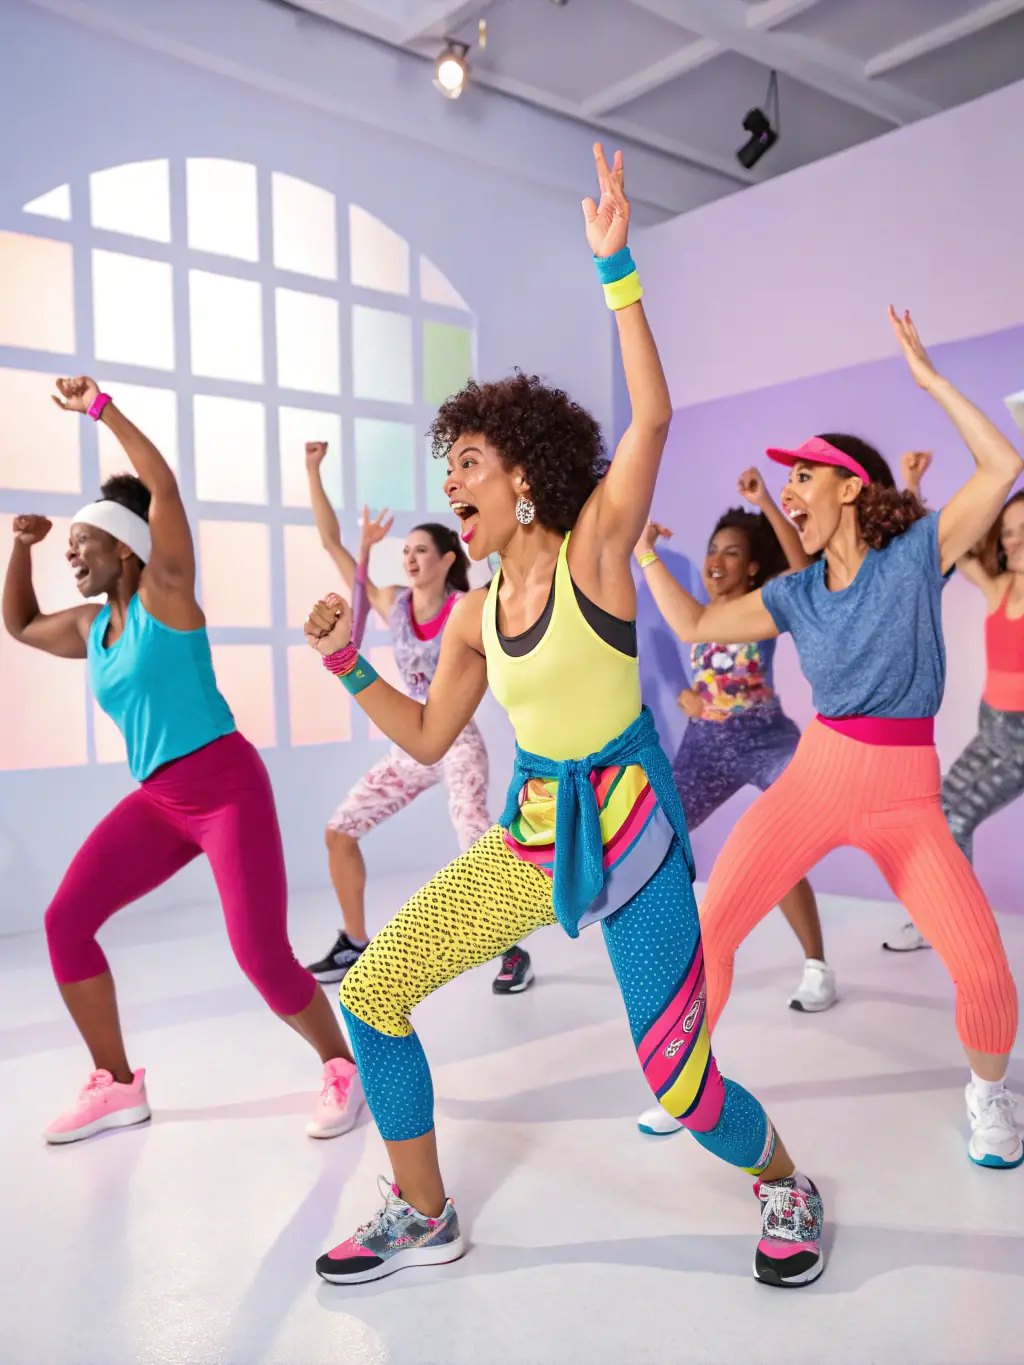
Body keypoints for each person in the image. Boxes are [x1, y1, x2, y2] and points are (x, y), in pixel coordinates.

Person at [304, 144, 825, 1289]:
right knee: (375, 990)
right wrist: (344, 663)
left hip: (635, 837)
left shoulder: (595, 550)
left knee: (680, 1082)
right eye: (447, 469)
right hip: (534, 835)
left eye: (468, 464)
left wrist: (616, 267)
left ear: (526, 473)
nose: (451, 485)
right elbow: (428, 738)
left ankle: (784, 1180)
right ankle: (424, 1211)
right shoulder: (473, 613)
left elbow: (653, 417)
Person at [642, 310, 1022, 1171]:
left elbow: (1003, 466)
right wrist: (646, 558)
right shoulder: (795, 592)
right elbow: (698, 623)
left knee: (985, 971)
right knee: (714, 928)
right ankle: (687, 1081)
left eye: (804, 476)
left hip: (906, 798)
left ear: (849, 488)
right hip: (817, 778)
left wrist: (930, 380)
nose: (790, 492)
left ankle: (989, 1095)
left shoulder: (915, 554)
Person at [2, 380, 362, 1144]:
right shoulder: (93, 628)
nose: (71, 551)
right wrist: (21, 547)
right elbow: (22, 623)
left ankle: (342, 1066)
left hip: (226, 788)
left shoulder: (166, 593)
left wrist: (100, 409)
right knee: (66, 920)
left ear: (124, 546)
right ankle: (116, 1083)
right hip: (160, 800)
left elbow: (161, 488)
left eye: (82, 540)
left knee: (260, 953)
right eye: (68, 543)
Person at [632, 469, 834, 1138]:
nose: (717, 561)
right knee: (659, 837)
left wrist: (766, 503)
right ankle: (669, 968)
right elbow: (679, 653)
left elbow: (802, 571)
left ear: (752, 567)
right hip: (708, 746)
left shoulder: (766, 604)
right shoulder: (696, 609)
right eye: (712, 550)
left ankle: (817, 966)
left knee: (782, 851)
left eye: (731, 553)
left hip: (768, 740)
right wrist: (686, 696)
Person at [304, 446, 533, 995]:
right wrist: (314, 472)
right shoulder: (393, 602)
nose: (409, 559)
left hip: (457, 740)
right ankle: (354, 942)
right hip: (411, 740)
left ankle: (512, 950)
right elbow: (331, 544)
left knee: (475, 839)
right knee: (339, 832)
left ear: (448, 559)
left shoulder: (469, 608)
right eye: (404, 551)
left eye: (420, 551)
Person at [883, 457, 1024, 953]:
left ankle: (957, 929)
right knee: (940, 812)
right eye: (1009, 531)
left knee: (958, 817)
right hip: (992, 729)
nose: (1014, 540)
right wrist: (914, 485)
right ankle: (938, 919)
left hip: (1022, 742)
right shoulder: (999, 587)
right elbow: (946, 541)